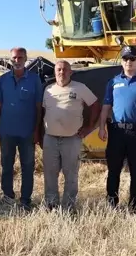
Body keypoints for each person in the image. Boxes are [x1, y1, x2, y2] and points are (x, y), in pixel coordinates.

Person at [97, 45, 136, 213]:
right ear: (121, 62)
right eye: (125, 59)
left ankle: (135, 207)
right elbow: (105, 108)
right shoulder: (113, 82)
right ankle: (111, 204)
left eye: (132, 58)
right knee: (113, 170)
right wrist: (102, 127)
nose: (129, 62)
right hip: (116, 132)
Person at [39, 60, 100, 210]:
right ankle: (51, 204)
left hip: (72, 139)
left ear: (71, 72)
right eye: (59, 70)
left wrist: (89, 127)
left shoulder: (80, 88)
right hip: (50, 138)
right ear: (54, 72)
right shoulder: (48, 90)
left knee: (71, 175)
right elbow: (42, 113)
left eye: (65, 70)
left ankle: (68, 206)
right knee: (50, 174)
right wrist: (39, 134)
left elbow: (95, 105)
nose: (62, 72)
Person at [0, 47, 42, 209]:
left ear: (26, 59)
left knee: (27, 166)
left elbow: (39, 107)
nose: (17, 60)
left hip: (27, 132)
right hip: (7, 131)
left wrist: (37, 130)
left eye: (20, 57)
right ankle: (7, 195)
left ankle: (25, 199)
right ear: (10, 59)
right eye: (14, 58)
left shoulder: (34, 80)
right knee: (6, 164)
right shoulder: (4, 80)